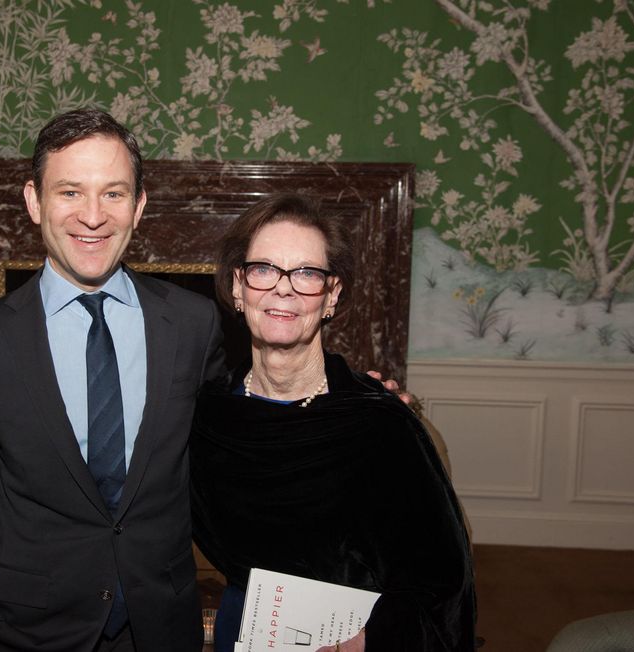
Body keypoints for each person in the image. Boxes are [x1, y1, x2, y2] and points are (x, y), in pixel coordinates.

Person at [0, 108, 224, 652]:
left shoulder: (193, 325)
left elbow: (232, 458)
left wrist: (343, 398)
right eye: (70, 192)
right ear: (34, 201)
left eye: (113, 193)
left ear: (139, 206)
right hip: (30, 634)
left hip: (161, 628)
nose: (93, 216)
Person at [190, 194, 477, 652]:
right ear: (238, 287)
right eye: (264, 269)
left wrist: (367, 642)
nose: (283, 288)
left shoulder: (378, 423)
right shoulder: (207, 417)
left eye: (306, 273)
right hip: (242, 635)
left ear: (332, 295)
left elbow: (442, 581)